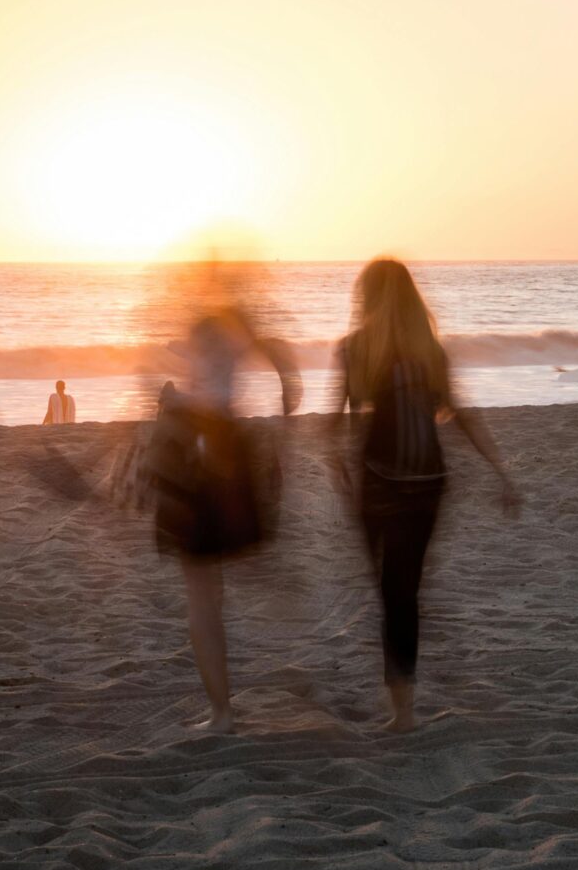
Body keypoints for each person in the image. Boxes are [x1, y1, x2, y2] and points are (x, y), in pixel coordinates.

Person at [332, 258, 520, 733]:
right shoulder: (429, 352)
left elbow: (333, 427)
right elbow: (462, 414)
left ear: (367, 298)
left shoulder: (354, 349)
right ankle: (404, 711)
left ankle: (402, 713)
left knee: (389, 592)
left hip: (378, 481)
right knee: (403, 593)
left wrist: (336, 465)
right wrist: (502, 472)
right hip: (427, 483)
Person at [144, 259, 303, 732]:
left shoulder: (204, 324)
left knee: (202, 593)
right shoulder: (238, 323)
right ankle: (271, 582)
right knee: (218, 581)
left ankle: (222, 714)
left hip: (199, 458)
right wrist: (286, 390)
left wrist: (174, 399)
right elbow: (270, 355)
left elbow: (205, 394)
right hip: (228, 450)